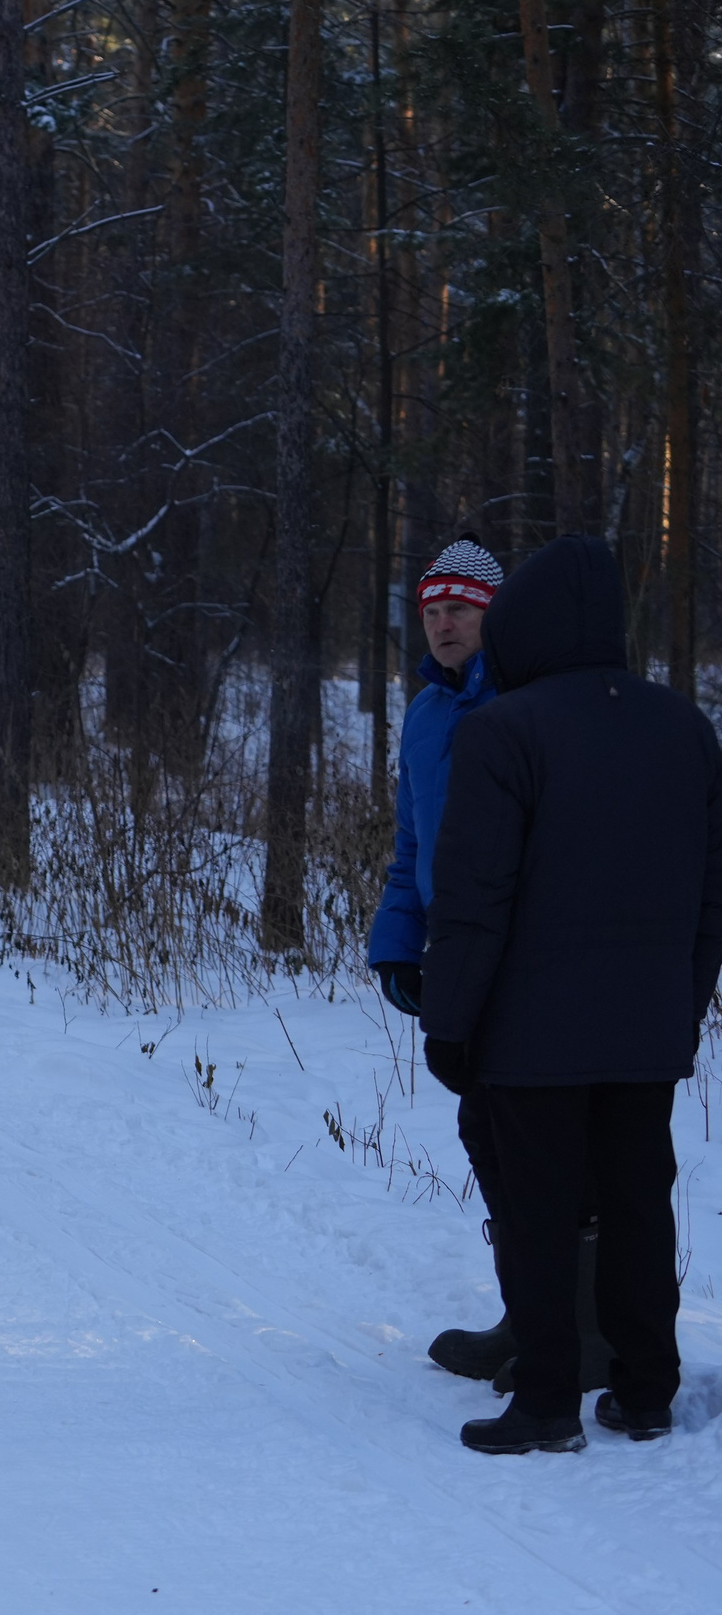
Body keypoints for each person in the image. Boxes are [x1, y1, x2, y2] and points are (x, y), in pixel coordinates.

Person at [421, 533, 722, 1453]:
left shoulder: (502, 730)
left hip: (531, 1028)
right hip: (647, 1025)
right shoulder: (686, 727)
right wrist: (684, 999)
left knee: (539, 1210)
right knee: (639, 1200)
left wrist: (450, 1021)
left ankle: (547, 1400)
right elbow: (710, 889)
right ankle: (645, 1389)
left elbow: (476, 898)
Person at [367, 535, 536, 1382]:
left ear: (493, 614)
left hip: (529, 955)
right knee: (486, 1131)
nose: (443, 624)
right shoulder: (428, 714)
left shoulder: (525, 704)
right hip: (455, 954)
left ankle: (569, 1328)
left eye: (459, 609)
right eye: (432, 612)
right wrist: (396, 943)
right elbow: (410, 845)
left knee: (538, 1137)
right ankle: (528, 1315)